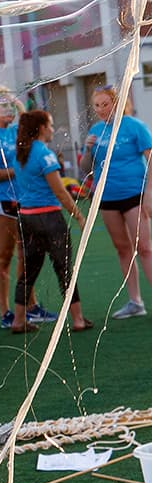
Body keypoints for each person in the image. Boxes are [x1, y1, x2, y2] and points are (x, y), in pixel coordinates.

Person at [9, 110, 90, 333]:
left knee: (28, 271)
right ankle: (78, 319)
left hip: (26, 218)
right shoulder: (45, 155)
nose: (52, 129)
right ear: (42, 128)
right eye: (50, 125)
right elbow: (61, 192)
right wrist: (79, 216)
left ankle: (18, 320)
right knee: (64, 269)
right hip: (49, 219)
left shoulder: (20, 154)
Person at [0, 95, 55, 329]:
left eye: (11, 106)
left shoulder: (16, 131)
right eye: (3, 106)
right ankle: (5, 312)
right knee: (4, 256)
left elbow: (29, 125)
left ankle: (30, 307)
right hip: (3, 200)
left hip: (25, 199)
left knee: (27, 256)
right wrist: (21, 169)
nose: (9, 110)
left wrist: (19, 104)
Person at [79, 84, 152, 319]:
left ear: (117, 103)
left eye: (105, 104)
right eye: (97, 105)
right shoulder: (96, 130)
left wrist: (149, 192)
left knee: (145, 248)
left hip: (134, 195)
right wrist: (87, 150)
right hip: (107, 198)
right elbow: (86, 169)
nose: (101, 109)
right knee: (122, 249)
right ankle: (135, 302)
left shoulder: (134, 126)